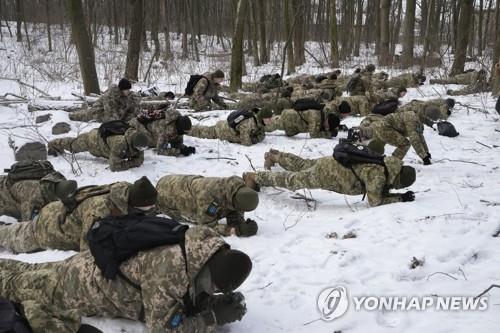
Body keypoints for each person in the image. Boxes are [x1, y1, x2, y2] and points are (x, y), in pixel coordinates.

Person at [0, 226, 252, 333]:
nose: (214, 292)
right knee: (12, 284)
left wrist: (211, 302)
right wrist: (211, 318)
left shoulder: (203, 247)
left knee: (27, 270)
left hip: (90, 265)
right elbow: (163, 328)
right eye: (215, 288)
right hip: (77, 287)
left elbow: (191, 292)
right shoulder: (170, 270)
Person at [0, 176, 158, 253]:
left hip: (62, 213)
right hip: (49, 228)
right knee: (14, 238)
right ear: (133, 202)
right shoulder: (99, 211)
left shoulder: (125, 192)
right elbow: (88, 250)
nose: (149, 210)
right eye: (146, 208)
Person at [243, 149, 416, 207]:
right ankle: (255, 177)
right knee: (292, 181)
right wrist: (399, 198)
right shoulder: (379, 176)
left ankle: (276, 156)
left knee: (303, 164)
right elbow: (374, 202)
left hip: (331, 163)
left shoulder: (385, 162)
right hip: (328, 175)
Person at [156, 175, 259, 237]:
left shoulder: (235, 190)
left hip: (184, 181)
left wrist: (242, 225)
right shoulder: (209, 197)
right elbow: (206, 225)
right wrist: (235, 231)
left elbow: (234, 211)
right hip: (166, 193)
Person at [361, 106, 442, 164]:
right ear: (426, 116)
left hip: (385, 127)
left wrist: (426, 152)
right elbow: (415, 140)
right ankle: (392, 163)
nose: (430, 122)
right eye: (430, 119)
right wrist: (424, 157)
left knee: (374, 148)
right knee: (405, 144)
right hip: (384, 128)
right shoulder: (412, 119)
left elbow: (420, 137)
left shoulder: (418, 119)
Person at [47, 126, 149, 172]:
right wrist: (131, 163)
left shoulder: (138, 141)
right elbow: (114, 166)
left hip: (101, 139)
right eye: (140, 148)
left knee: (73, 144)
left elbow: (140, 159)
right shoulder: (120, 144)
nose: (141, 150)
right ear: (134, 143)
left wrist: (131, 161)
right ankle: (53, 143)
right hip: (93, 141)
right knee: (72, 146)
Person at [0, 168, 75, 221]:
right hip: (4, 193)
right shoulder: (33, 195)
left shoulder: (56, 179)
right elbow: (28, 227)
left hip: (10, 186)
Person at [189, 107, 273, 146]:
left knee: (203, 129)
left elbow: (260, 132)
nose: (270, 121)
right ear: (262, 118)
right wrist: (256, 139)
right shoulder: (249, 123)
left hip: (225, 127)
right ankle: (188, 129)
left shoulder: (258, 120)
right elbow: (246, 142)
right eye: (268, 119)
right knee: (200, 131)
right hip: (220, 131)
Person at [129, 109, 195, 156]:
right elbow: (160, 150)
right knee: (149, 143)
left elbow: (176, 143)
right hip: (139, 126)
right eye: (184, 132)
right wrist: (179, 152)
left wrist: (185, 148)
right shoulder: (164, 129)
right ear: (180, 128)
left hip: (152, 131)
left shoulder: (178, 127)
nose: (184, 134)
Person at [69, 78, 141, 122]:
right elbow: (111, 116)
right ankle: (70, 115)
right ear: (122, 89)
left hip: (105, 114)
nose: (128, 91)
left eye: (129, 89)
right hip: (96, 114)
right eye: (127, 89)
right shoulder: (110, 97)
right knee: (79, 115)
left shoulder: (123, 95)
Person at [265, 102, 349, 138]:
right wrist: (328, 134)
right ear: (328, 122)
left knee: (270, 120)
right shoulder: (316, 118)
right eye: (328, 126)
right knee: (267, 126)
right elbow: (313, 134)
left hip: (291, 118)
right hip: (288, 120)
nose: (327, 127)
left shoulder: (324, 113)